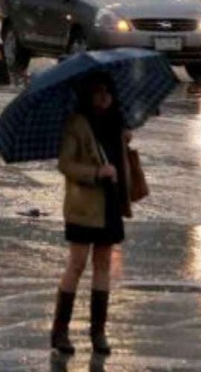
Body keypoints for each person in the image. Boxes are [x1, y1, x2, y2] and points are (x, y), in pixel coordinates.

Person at [50, 73, 132, 356]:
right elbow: (65, 164)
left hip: (109, 205)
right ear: (89, 95)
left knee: (103, 264)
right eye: (98, 92)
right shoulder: (77, 124)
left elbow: (121, 164)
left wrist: (124, 143)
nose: (104, 97)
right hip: (84, 206)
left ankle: (98, 331)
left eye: (108, 92)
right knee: (77, 263)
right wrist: (96, 173)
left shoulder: (117, 124)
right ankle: (60, 330)